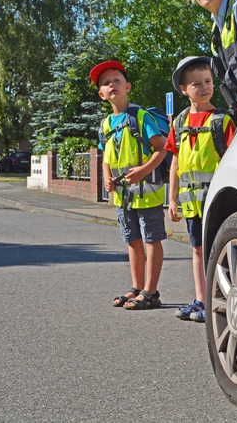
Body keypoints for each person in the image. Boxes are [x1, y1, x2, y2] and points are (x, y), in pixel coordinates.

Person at [165, 56, 236, 323]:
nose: (205, 87)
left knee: (218, 250)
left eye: (208, 81)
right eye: (196, 84)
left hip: (217, 201)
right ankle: (201, 300)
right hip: (192, 202)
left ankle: (219, 300)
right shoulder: (180, 122)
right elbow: (174, 162)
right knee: (197, 249)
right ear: (183, 90)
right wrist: (171, 199)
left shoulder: (221, 120)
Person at [91, 60, 167, 310]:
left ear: (128, 87)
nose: (111, 84)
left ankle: (151, 291)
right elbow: (105, 157)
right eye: (105, 83)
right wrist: (106, 178)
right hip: (124, 196)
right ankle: (136, 287)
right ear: (101, 95)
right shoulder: (105, 124)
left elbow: (161, 149)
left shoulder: (139, 116)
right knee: (132, 239)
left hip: (147, 193)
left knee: (151, 239)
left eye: (116, 80)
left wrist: (144, 170)